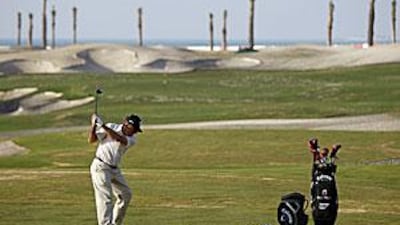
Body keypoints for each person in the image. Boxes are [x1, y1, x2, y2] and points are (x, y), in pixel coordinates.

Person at [88, 113, 142, 225]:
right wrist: (94, 125)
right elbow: (91, 140)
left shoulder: (131, 139)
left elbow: (119, 138)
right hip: (100, 167)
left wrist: (103, 126)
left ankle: (116, 223)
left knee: (126, 194)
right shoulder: (111, 126)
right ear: (125, 124)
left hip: (114, 169)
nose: (134, 132)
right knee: (105, 199)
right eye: (133, 129)